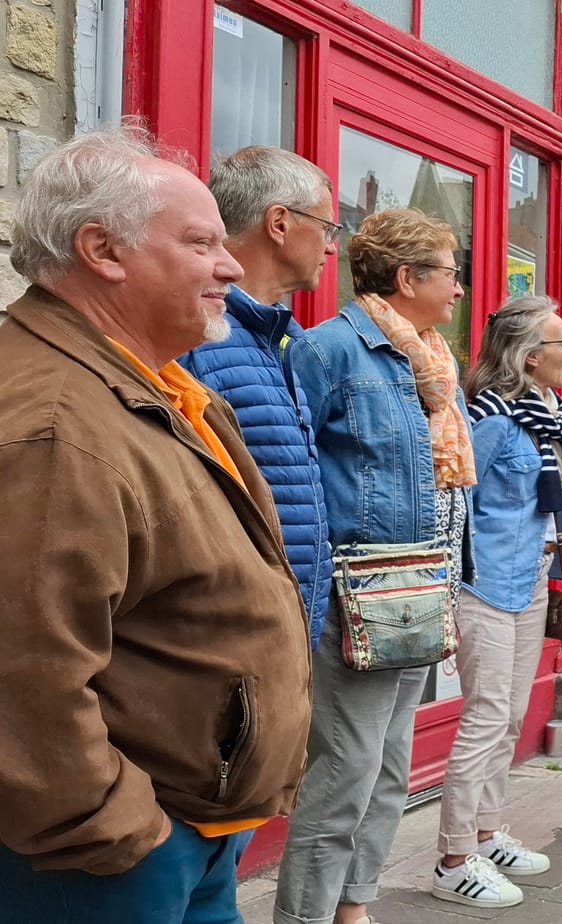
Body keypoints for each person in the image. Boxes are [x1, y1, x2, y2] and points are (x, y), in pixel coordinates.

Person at [0, 125, 311, 920]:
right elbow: (24, 670)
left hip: (181, 833)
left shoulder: (148, 383)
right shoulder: (58, 421)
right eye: (203, 241)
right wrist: (113, 826)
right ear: (102, 249)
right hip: (105, 859)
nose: (232, 265)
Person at [277, 208, 475, 924]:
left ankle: (353, 906)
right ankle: (305, 917)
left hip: (421, 591)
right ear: (406, 277)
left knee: (390, 769)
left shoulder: (433, 359)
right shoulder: (329, 351)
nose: (460, 289)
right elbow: (291, 474)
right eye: (451, 273)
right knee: (345, 772)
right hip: (356, 593)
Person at [427, 294, 562, 909]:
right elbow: (458, 498)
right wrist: (452, 582)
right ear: (528, 354)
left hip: (528, 583)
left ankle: (488, 833)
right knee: (486, 718)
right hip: (487, 584)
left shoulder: (548, 413)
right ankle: (451, 858)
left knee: (510, 716)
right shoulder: (492, 418)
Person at [182, 145, 339, 655]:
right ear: (279, 223)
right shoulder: (200, 336)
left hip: (279, 633)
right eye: (327, 228)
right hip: (234, 641)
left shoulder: (278, 340)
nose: (331, 248)